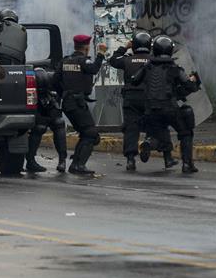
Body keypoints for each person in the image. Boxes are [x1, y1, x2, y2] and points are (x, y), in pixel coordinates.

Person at [130, 35, 200, 173]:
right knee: (185, 132)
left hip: (150, 109)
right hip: (169, 108)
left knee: (159, 132)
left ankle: (150, 143)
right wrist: (193, 79)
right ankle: (187, 164)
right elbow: (190, 86)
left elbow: (134, 80)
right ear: (169, 51)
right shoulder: (174, 68)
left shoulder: (147, 67)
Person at [109, 31, 177, 171]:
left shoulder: (127, 60)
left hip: (130, 100)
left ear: (134, 45)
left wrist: (124, 47)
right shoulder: (153, 60)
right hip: (149, 99)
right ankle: (166, 156)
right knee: (159, 125)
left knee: (131, 128)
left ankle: (130, 160)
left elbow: (113, 60)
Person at [55, 34, 106, 174]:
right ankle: (78, 165)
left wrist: (64, 94)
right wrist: (101, 53)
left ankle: (76, 163)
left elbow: (55, 80)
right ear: (86, 47)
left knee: (86, 133)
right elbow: (94, 68)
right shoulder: (83, 61)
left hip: (68, 102)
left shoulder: (65, 61)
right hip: (77, 102)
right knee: (90, 133)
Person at [26, 68, 67, 173]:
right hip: (36, 107)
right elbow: (31, 109)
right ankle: (30, 161)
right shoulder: (30, 86)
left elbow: (59, 97)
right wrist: (42, 119)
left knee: (59, 123)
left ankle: (62, 159)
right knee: (39, 127)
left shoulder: (53, 81)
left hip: (49, 103)